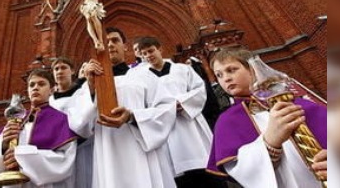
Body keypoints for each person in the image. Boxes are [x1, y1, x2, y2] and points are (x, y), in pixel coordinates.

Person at [207, 48, 327, 188]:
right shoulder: (227, 121)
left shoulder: (300, 104)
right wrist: (270, 143)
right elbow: (242, 171)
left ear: (253, 69)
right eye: (219, 75)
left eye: (231, 70)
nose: (226, 78)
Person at [74, 27, 177, 188]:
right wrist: (92, 88)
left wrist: (133, 117)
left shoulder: (144, 75)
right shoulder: (90, 84)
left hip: (143, 150)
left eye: (115, 40)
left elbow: (166, 108)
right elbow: (79, 124)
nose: (110, 45)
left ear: (125, 46)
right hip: (108, 153)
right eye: (105, 42)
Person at [137, 37, 222, 188]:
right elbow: (143, 105)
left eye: (151, 51)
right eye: (144, 54)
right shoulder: (142, 79)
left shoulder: (183, 69)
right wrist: (166, 110)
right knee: (181, 177)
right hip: (167, 129)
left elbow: (200, 90)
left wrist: (183, 103)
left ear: (160, 49)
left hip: (191, 124)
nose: (148, 55)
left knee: (205, 171)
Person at [0, 69, 78, 187]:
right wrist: (3, 147)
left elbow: (66, 161)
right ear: (28, 91)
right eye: (31, 85)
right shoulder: (16, 118)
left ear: (52, 90)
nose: (35, 87)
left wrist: (21, 156)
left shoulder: (61, 119)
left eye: (41, 84)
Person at [49, 57, 94, 188]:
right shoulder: (49, 101)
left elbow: (89, 118)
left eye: (63, 68)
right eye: (56, 69)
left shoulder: (83, 94)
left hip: (83, 150)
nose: (59, 71)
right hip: (59, 155)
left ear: (73, 71)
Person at [53, 0, 124, 50]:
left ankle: (100, 40)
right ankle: (95, 41)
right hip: (87, 3)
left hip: (94, 2)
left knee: (93, 16)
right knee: (88, 19)